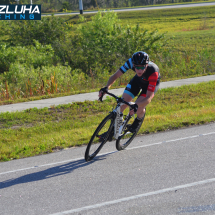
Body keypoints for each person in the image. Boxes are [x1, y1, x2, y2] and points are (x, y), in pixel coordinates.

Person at [99, 51, 160, 133]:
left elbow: (148, 98)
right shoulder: (130, 62)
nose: (139, 70)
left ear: (146, 65)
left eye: (142, 67)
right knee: (121, 104)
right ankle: (113, 130)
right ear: (133, 65)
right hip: (137, 81)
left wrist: (136, 105)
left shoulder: (153, 71)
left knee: (139, 108)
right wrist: (106, 87)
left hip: (149, 85)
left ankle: (138, 120)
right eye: (137, 67)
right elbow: (115, 76)